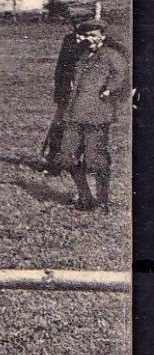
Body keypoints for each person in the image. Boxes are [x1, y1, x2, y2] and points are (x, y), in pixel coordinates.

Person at [56, 19, 129, 211]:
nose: (90, 39)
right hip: (74, 113)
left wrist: (108, 90)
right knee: (66, 157)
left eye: (94, 35)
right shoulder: (81, 55)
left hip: (97, 114)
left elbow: (121, 74)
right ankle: (85, 196)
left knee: (96, 160)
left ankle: (102, 202)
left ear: (102, 36)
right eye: (87, 35)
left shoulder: (111, 55)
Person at [41, 21, 89, 173]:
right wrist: (59, 93)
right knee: (59, 128)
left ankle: (80, 163)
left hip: (88, 94)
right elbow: (61, 67)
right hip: (67, 93)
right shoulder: (69, 39)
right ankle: (53, 164)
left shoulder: (99, 42)